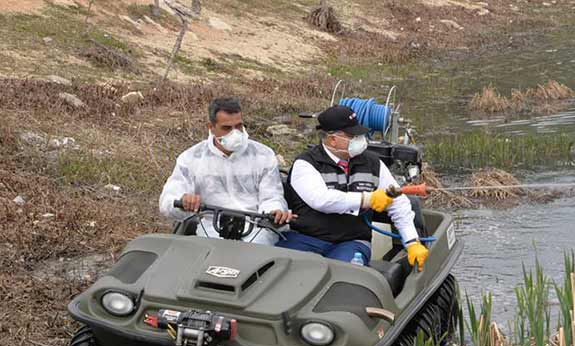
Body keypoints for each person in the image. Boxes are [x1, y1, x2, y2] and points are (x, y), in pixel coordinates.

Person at [278, 105, 429, 270]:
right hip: (305, 238)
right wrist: (366, 199)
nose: (360, 139)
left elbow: (398, 203)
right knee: (283, 272)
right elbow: (321, 200)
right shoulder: (306, 164)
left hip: (351, 242)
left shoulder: (373, 163)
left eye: (360, 134)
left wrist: (412, 242)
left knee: (345, 276)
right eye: (352, 135)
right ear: (332, 138)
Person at [159, 97, 293, 245]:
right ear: (211, 127)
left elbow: (272, 196)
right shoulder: (192, 158)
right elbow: (168, 200)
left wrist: (274, 211)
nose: (235, 133)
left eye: (239, 126)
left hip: (256, 230)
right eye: (227, 128)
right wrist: (184, 201)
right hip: (211, 229)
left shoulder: (263, 154)